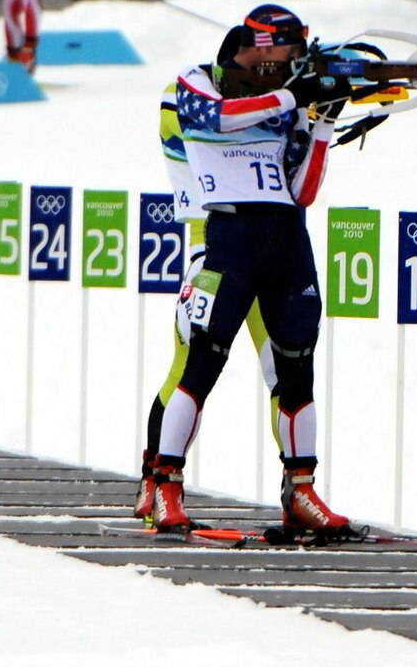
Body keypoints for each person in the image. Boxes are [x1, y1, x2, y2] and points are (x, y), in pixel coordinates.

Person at [151, 4, 357, 537]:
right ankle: (164, 486)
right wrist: (295, 97)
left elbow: (303, 191)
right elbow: (214, 118)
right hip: (229, 239)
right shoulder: (195, 84)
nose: (293, 63)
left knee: (297, 373)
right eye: (287, 53)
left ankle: (302, 491)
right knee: (201, 364)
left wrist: (323, 124)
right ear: (259, 48)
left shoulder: (286, 104)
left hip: (286, 240)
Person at [133, 42, 282, 521]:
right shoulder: (181, 95)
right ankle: (154, 480)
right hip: (210, 244)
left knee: (282, 371)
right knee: (188, 368)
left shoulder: (259, 99)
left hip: (268, 242)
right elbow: (209, 116)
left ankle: (297, 488)